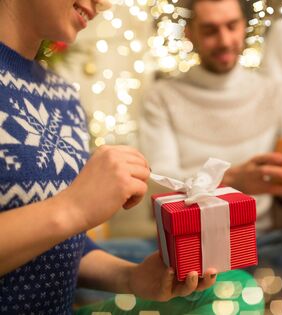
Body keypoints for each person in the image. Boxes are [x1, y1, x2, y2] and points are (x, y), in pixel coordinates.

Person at [0, 1, 263, 314]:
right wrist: (72, 208)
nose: (103, 3)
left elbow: (60, 248)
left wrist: (133, 278)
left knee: (234, 292)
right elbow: (65, 217)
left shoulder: (63, 96)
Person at [139, 0, 282, 287]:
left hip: (254, 244)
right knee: (86, 264)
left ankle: (206, 291)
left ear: (244, 27)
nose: (225, 40)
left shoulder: (272, 91)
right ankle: (235, 291)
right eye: (210, 30)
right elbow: (156, 186)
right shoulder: (162, 96)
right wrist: (232, 181)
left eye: (232, 26)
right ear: (189, 34)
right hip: (183, 246)